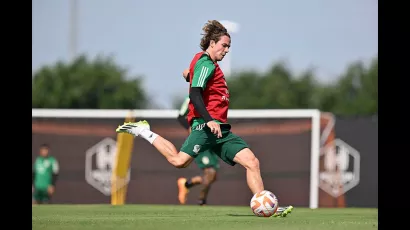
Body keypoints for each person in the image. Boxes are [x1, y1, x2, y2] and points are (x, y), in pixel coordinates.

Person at [116, 20, 293, 217]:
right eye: (223, 45)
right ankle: (143, 130)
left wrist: (188, 74)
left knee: (252, 161)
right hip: (205, 126)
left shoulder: (205, 63)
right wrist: (208, 119)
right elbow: (195, 94)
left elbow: (192, 75)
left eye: (228, 46)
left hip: (220, 130)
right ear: (211, 43)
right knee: (178, 161)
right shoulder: (206, 63)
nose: (226, 50)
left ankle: (268, 207)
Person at [176, 95, 220, 206]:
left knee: (212, 176)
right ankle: (202, 202)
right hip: (199, 137)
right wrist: (190, 128)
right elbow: (181, 116)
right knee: (210, 172)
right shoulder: (192, 96)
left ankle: (187, 184)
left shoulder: (215, 95)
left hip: (212, 138)